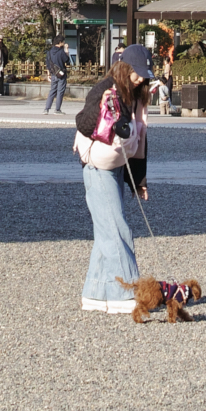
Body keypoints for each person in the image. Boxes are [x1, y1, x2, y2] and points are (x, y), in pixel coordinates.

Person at [74, 61, 151, 314]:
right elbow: (83, 124)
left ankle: (95, 293)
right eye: (138, 73)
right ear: (127, 68)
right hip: (97, 167)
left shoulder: (137, 97)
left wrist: (139, 182)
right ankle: (124, 293)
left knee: (107, 230)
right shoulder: (105, 88)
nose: (141, 79)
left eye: (145, 76)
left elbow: (139, 144)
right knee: (117, 230)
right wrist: (102, 108)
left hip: (117, 166)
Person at [42, 37, 72, 113]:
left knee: (52, 91)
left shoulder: (49, 52)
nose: (64, 43)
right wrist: (66, 50)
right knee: (60, 92)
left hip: (53, 74)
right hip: (61, 74)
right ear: (60, 42)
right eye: (63, 42)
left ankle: (46, 109)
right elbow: (67, 61)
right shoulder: (61, 52)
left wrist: (48, 74)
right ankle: (57, 109)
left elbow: (48, 64)